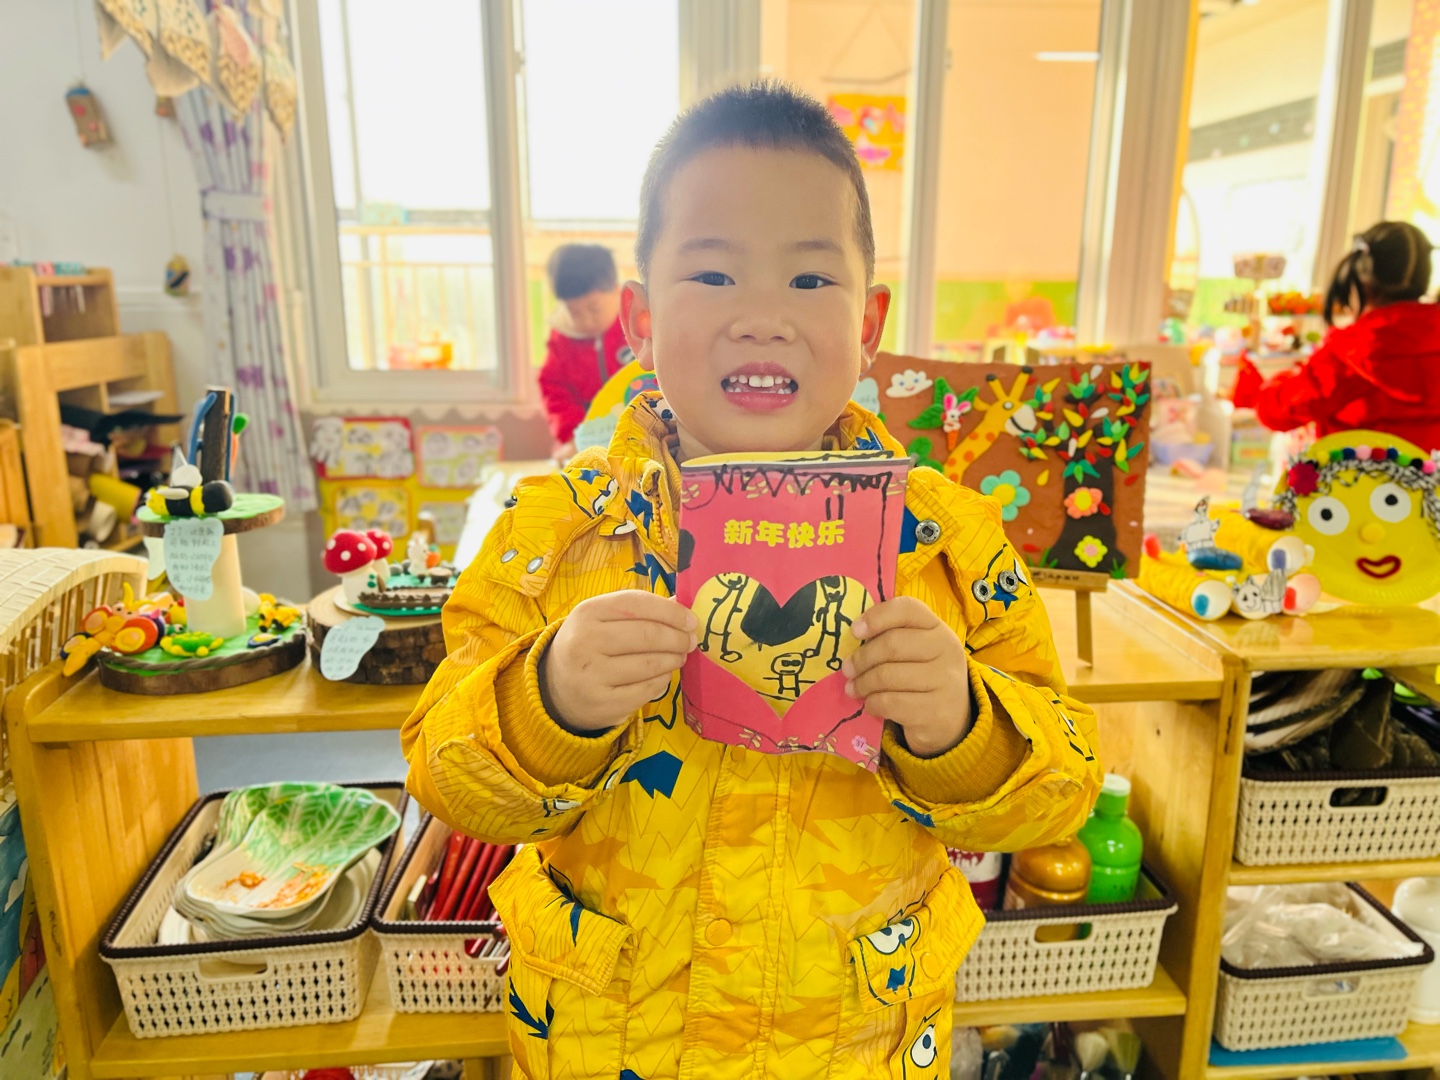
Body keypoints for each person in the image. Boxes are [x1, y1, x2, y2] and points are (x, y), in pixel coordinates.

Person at [401, 82, 1101, 1079]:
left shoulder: (948, 544)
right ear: (640, 318)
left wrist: (961, 726)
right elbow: (444, 775)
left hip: (854, 1048)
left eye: (810, 280)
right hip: (612, 1042)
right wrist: (548, 700)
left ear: (870, 322)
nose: (764, 318)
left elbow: (1060, 791)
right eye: (715, 274)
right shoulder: (553, 534)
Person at [1234, 221, 1440, 451]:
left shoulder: (1351, 352)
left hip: (1355, 473)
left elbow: (1277, 412)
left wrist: (1280, 380)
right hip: (1431, 474)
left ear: (1361, 281)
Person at [538, 243, 634, 458]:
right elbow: (554, 390)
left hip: (639, 435)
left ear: (616, 292)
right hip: (585, 442)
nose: (586, 320)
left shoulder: (637, 325)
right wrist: (574, 435)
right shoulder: (562, 340)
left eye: (594, 309)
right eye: (574, 312)